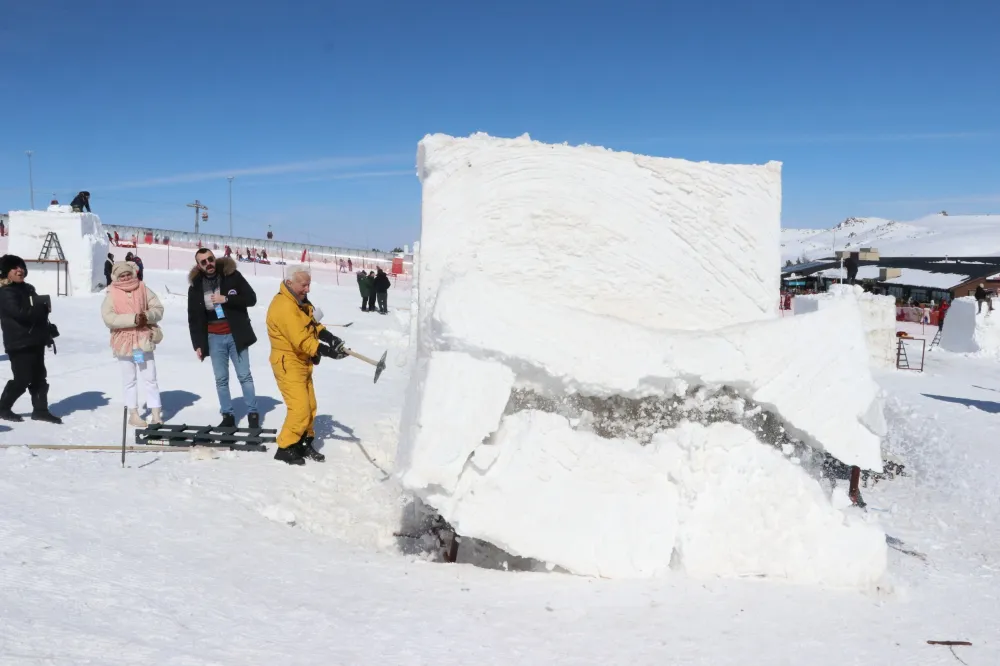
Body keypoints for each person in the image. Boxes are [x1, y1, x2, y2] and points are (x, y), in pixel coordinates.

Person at [266, 267, 347, 465]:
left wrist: (330, 338)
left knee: (310, 406)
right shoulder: (284, 306)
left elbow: (311, 324)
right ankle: (285, 447)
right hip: (288, 362)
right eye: (304, 285)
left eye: (309, 284)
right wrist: (327, 352)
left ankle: (303, 441)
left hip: (302, 361)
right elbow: (301, 340)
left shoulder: (299, 301)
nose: (308, 289)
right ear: (289, 282)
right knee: (299, 408)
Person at [187, 248, 260, 428]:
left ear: (215, 259)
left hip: (236, 334)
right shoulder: (196, 286)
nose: (208, 263)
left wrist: (226, 299)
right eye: (203, 262)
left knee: (244, 376)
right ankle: (227, 416)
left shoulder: (232, 276)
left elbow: (251, 298)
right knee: (221, 379)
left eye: (210, 259)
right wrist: (197, 344)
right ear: (199, 265)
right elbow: (194, 318)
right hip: (214, 337)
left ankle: (252, 414)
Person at [0, 254, 62, 423]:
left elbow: (35, 310)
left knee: (39, 376)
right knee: (22, 378)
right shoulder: (5, 292)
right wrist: (40, 308)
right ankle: (3, 407)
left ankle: (40, 410)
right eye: (14, 268)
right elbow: (20, 313)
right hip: (18, 342)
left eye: (21, 267)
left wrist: (44, 312)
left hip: (35, 339)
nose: (19, 270)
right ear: (6, 272)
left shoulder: (28, 288)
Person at [102, 261, 164, 427]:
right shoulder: (112, 293)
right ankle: (133, 414)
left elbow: (158, 308)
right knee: (129, 380)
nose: (126, 277)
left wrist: (147, 316)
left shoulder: (142, 288)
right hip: (124, 342)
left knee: (150, 378)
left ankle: (156, 412)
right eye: (122, 275)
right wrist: (132, 319)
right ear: (116, 277)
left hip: (143, 340)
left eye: (128, 273)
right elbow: (109, 318)